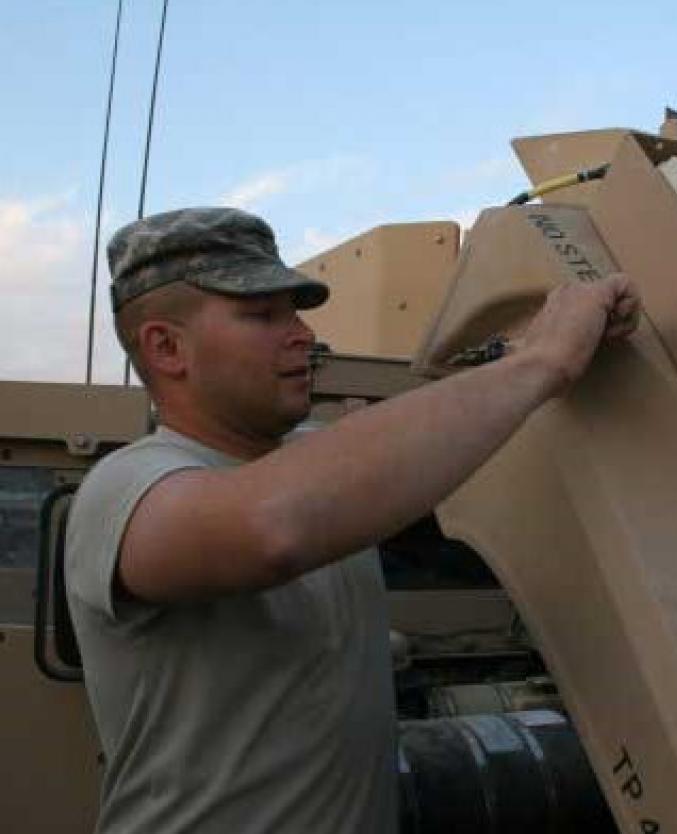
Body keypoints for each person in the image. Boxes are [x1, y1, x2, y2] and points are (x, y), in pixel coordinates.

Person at [66, 207, 640, 834]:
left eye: (296, 311)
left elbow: (412, 450)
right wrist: (541, 362)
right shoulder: (127, 487)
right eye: (262, 316)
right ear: (166, 347)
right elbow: (270, 529)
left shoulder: (317, 460)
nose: (303, 334)